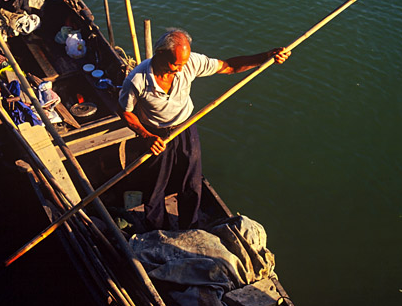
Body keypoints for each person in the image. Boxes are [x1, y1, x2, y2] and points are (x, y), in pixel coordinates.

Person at [118, 29, 291, 231]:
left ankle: (190, 227)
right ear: (159, 54)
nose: (181, 69)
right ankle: (158, 230)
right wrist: (147, 136)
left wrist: (266, 56)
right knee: (155, 186)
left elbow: (229, 66)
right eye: (175, 64)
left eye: (183, 64)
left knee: (191, 181)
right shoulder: (136, 80)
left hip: (185, 127)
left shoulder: (190, 63)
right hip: (155, 134)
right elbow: (125, 112)